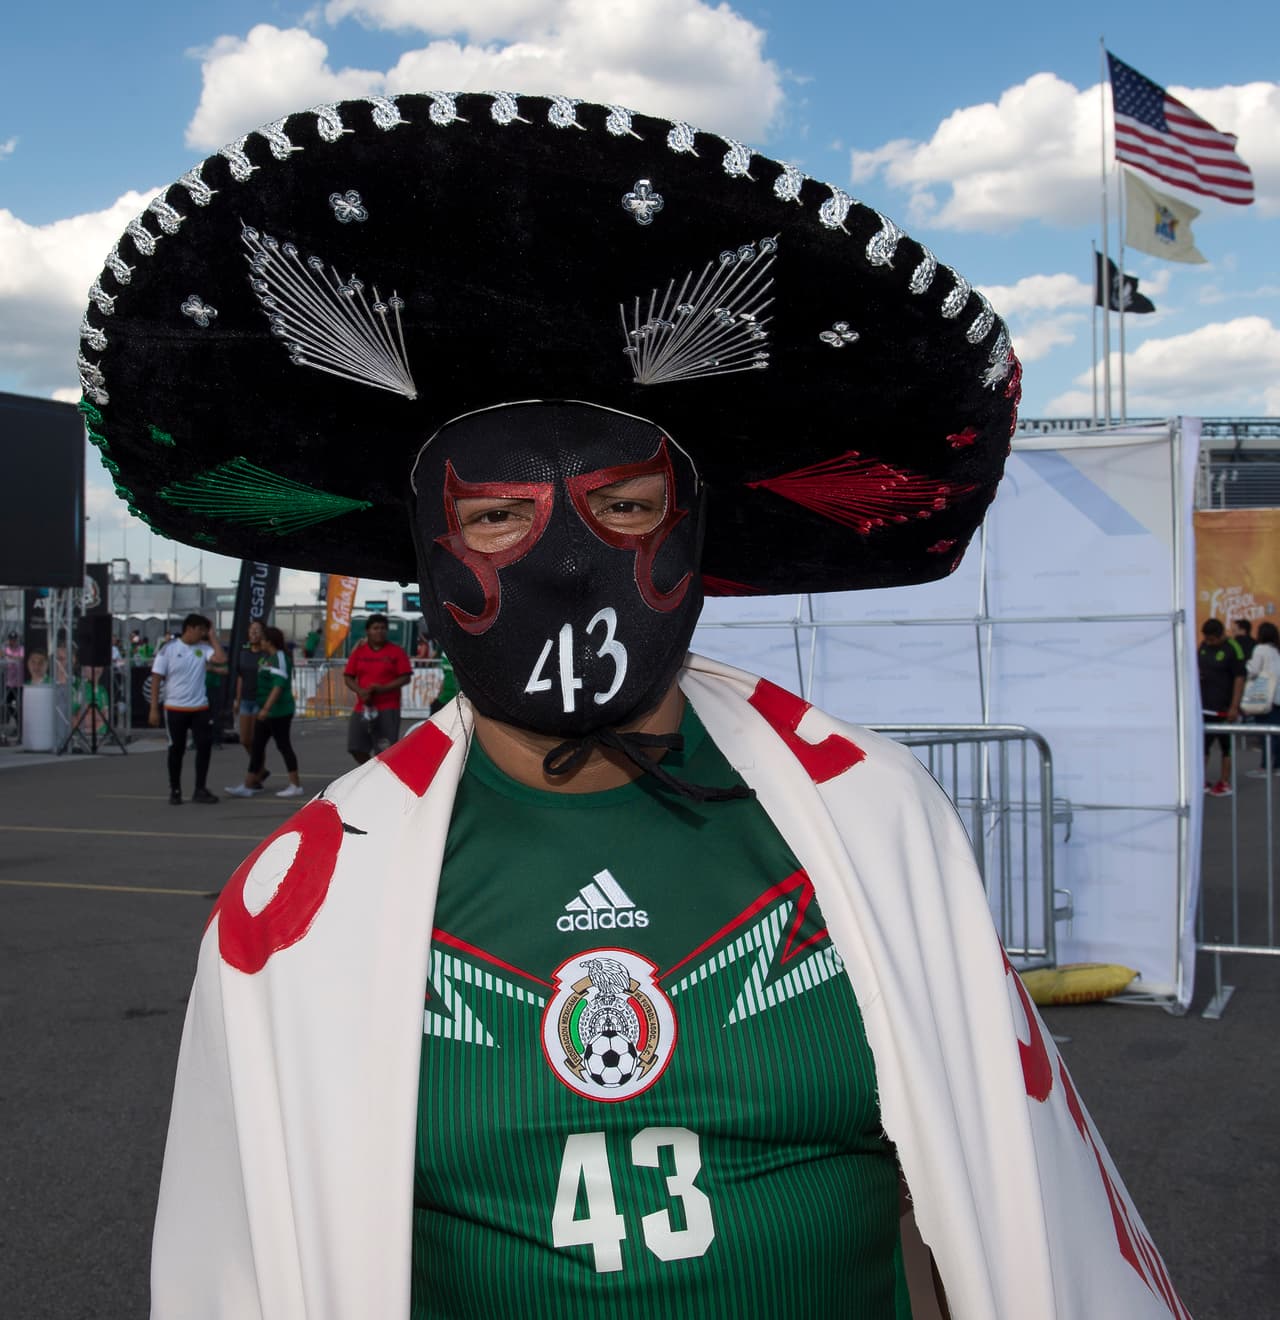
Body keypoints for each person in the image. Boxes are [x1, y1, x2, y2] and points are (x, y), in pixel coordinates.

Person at [84, 92, 1187, 1319]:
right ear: (429, 559)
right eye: (497, 515)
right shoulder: (308, 897)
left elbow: (981, 1209)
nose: (564, 561)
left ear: (693, 533)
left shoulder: (868, 821)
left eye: (621, 506)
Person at [149, 613, 225, 805]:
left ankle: (200, 788)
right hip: (175, 707)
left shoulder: (204, 648)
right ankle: (175, 789)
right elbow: (157, 678)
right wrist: (154, 708)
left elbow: (220, 658)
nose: (203, 634)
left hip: (199, 706)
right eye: (201, 630)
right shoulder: (169, 649)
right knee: (176, 749)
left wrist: (213, 637)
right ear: (190, 628)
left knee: (204, 746)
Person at [226, 626, 304, 798]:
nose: (258, 641)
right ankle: (249, 784)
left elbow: (278, 686)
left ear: (269, 642)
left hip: (279, 711)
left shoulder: (280, 658)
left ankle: (295, 784)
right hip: (266, 711)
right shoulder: (269, 658)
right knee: (257, 746)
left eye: (262, 639)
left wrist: (267, 708)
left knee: (284, 745)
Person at [343, 613, 412, 763]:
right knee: (356, 747)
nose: (379, 631)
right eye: (375, 628)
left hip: (388, 707)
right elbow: (348, 676)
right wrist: (360, 691)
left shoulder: (397, 652)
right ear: (368, 631)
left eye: (383, 628)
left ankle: (382, 778)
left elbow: (405, 677)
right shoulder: (359, 652)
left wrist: (383, 688)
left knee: (385, 750)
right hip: (363, 706)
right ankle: (369, 772)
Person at [1198, 617, 1246, 796]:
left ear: (1220, 636)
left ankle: (1224, 782)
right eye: (1206, 639)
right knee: (1203, 745)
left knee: (1226, 746)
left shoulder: (1233, 648)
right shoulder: (1203, 647)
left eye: (1212, 640)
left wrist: (1234, 706)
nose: (1208, 643)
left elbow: (1239, 678)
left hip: (1224, 707)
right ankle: (1201, 779)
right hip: (1204, 706)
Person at [232, 620, 268, 776]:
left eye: (257, 630)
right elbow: (240, 677)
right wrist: (237, 699)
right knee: (245, 740)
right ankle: (260, 769)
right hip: (246, 700)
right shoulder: (244, 652)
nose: (253, 633)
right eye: (251, 630)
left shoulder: (267, 654)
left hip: (260, 700)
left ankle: (256, 774)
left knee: (257, 741)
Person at [1244, 620, 1280, 776]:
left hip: (1264, 695)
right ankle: (1277, 766)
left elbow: (1253, 670)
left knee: (1264, 733)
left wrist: (1245, 664)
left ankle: (1264, 766)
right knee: (1276, 734)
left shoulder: (1260, 649)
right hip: (1277, 696)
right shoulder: (1276, 651)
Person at [3, 631, 22, 724]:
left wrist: (9, 656)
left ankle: (21, 725)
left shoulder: (21, 649)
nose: (12, 642)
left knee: (21, 705)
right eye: (11, 640)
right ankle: (17, 720)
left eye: (14, 640)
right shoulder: (6, 650)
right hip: (9, 683)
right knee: (7, 704)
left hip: (20, 683)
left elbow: (21, 659)